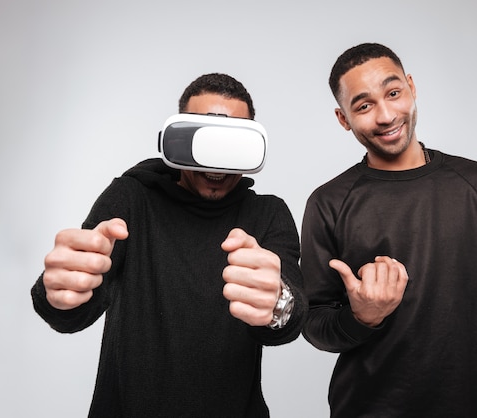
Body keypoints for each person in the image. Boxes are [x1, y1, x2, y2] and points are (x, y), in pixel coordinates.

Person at [31, 73, 306, 417]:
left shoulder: (267, 213)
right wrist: (60, 291)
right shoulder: (131, 198)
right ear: (174, 140)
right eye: (204, 139)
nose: (216, 161)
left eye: (231, 142)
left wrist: (277, 302)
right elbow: (77, 301)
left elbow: (292, 315)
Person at [300, 43, 477, 418]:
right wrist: (362, 317)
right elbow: (313, 321)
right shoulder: (328, 203)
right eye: (363, 106)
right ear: (343, 118)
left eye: (393, 93)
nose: (386, 115)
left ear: (411, 87)